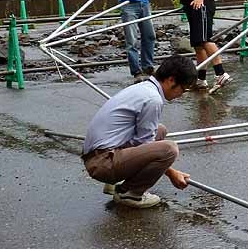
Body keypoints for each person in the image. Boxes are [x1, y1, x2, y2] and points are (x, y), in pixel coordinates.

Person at [80, 56, 197, 208]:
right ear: (171, 80)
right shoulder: (153, 99)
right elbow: (145, 143)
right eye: (183, 89)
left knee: (160, 130)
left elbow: (144, 139)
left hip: (98, 155)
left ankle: (117, 183)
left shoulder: (144, 87)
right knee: (169, 149)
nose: (181, 95)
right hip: (102, 163)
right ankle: (129, 193)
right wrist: (172, 173)